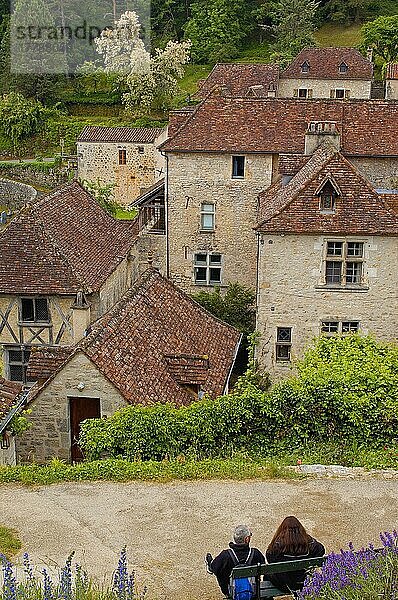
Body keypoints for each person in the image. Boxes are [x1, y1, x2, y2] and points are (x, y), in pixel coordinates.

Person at [266, 516, 325, 595]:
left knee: (267, 574)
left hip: (283, 584)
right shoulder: (308, 542)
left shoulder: (278, 545)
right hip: (303, 582)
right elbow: (321, 550)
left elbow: (269, 558)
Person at [205, 524, 265, 597]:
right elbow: (264, 569)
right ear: (247, 539)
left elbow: (214, 569)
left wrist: (210, 563)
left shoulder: (225, 555)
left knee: (219, 569)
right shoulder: (256, 553)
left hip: (231, 592)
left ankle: (228, 595)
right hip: (253, 591)